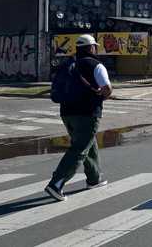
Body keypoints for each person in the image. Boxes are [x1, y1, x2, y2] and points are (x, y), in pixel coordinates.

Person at [45, 35, 113, 202]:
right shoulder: (95, 65)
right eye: (94, 47)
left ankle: (94, 178)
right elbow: (107, 89)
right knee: (80, 149)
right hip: (88, 113)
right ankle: (56, 183)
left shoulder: (68, 64)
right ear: (91, 48)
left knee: (87, 144)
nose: (95, 49)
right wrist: (102, 95)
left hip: (67, 112)